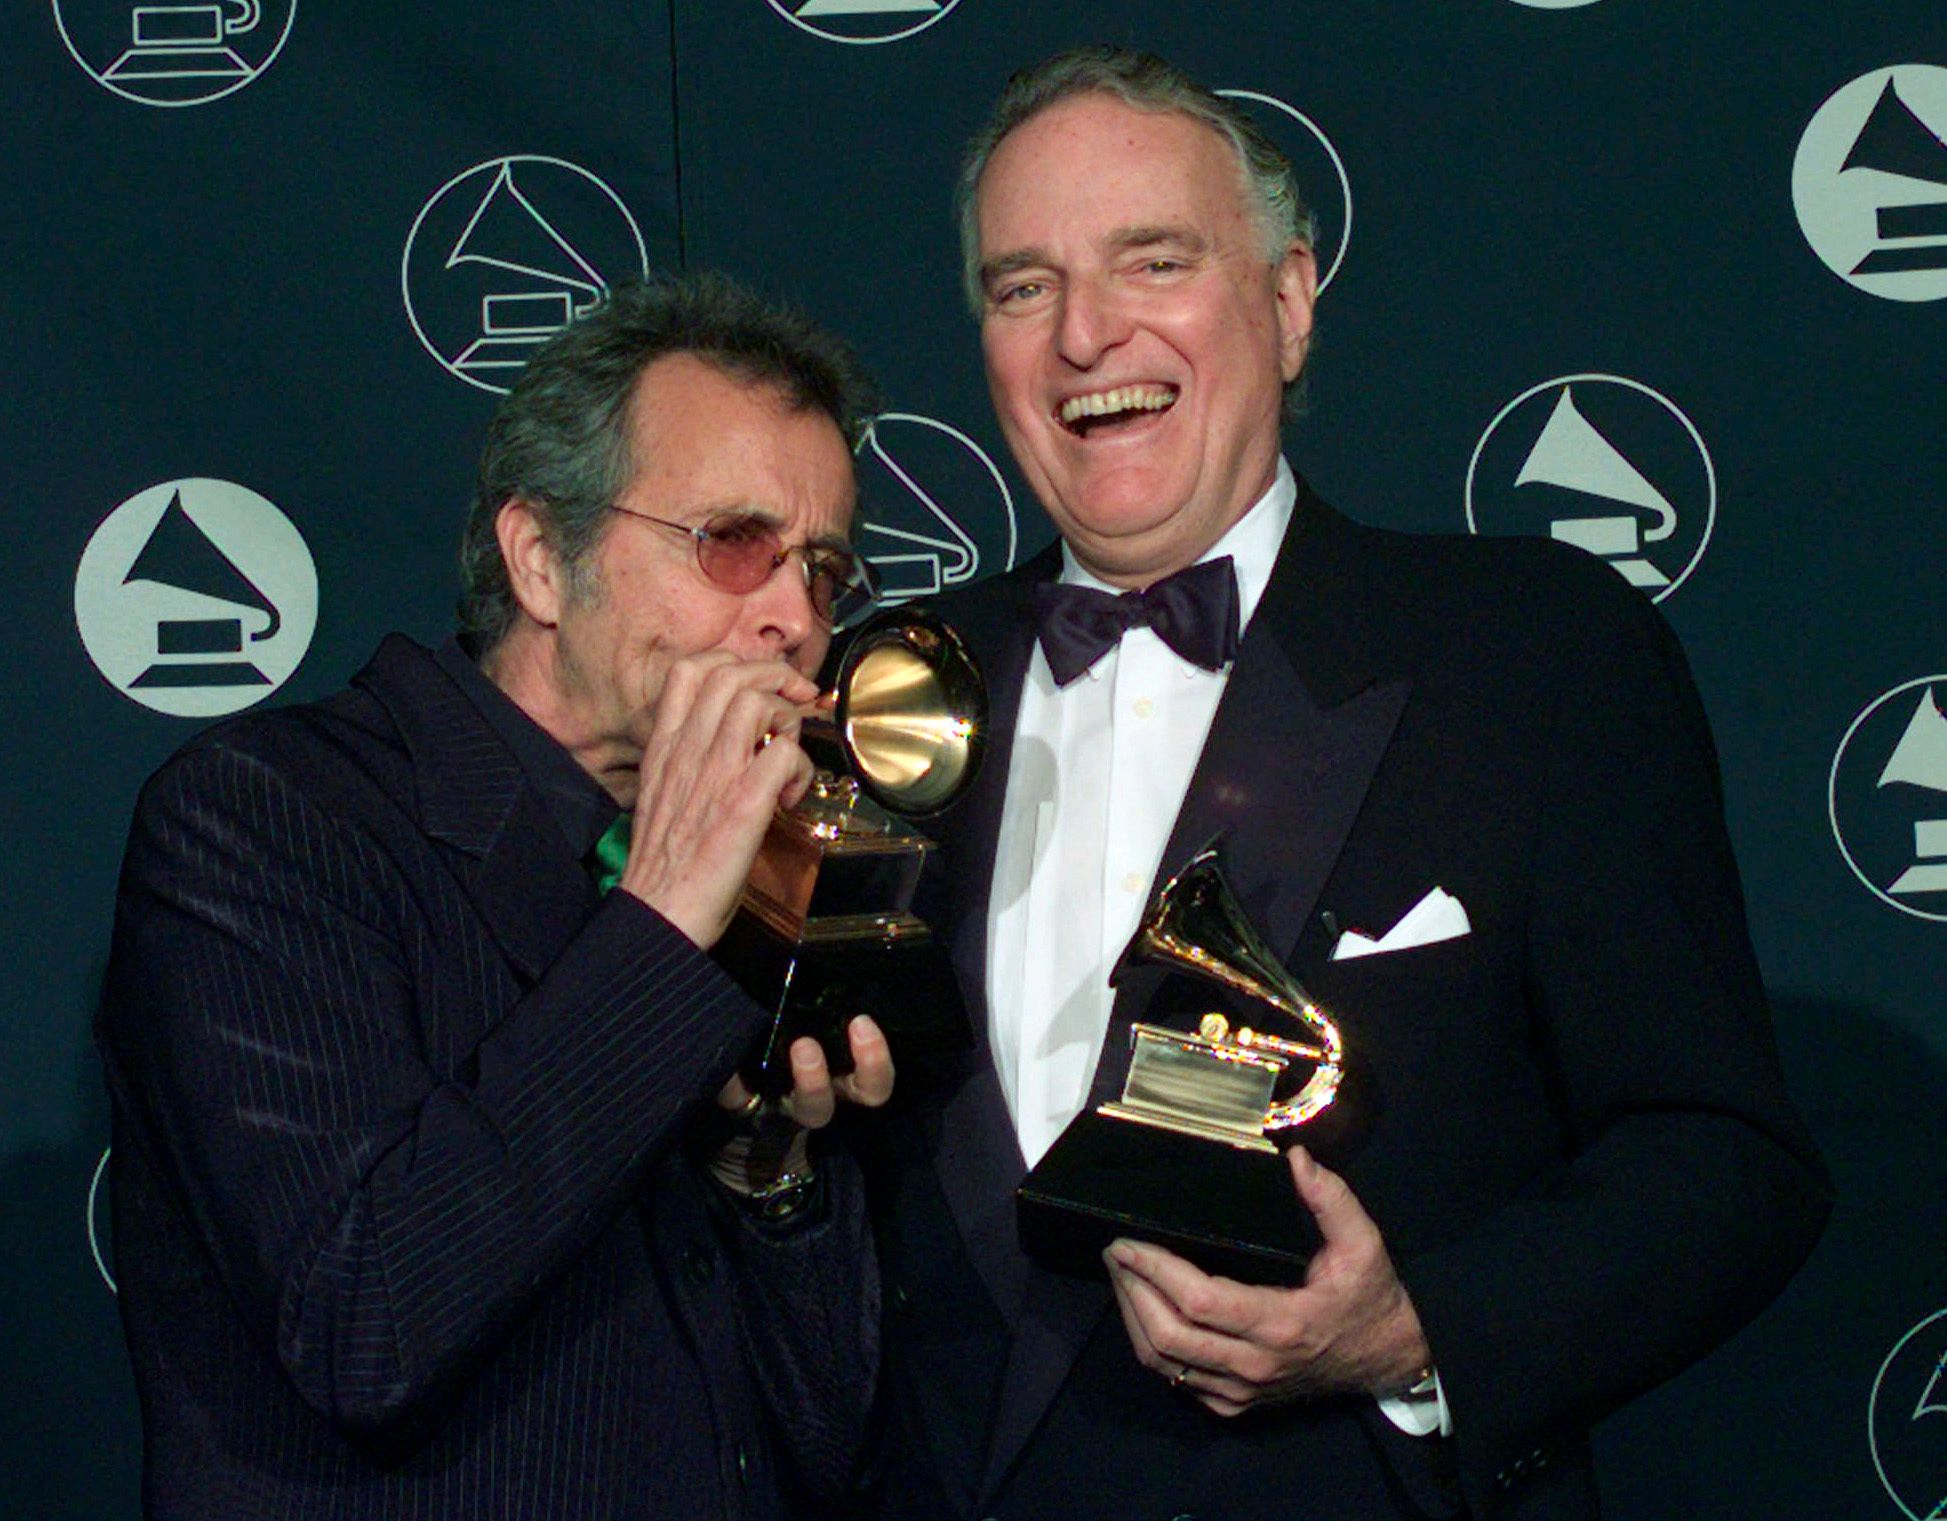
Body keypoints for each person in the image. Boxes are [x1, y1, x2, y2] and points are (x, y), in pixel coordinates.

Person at [859, 47, 1832, 1519]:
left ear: (1288, 299)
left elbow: (1722, 1162)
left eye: (1152, 260)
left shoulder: (1533, 656)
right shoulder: (886, 691)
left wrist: (1415, 1327)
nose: (1082, 335)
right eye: (1020, 286)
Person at [96, 273, 892, 1520]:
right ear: (539, 560)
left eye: (826, 571)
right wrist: (668, 911)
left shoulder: (757, 874)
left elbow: (830, 1449)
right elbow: (366, 1318)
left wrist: (767, 1169)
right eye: (734, 546)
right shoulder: (263, 822)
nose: (793, 617)